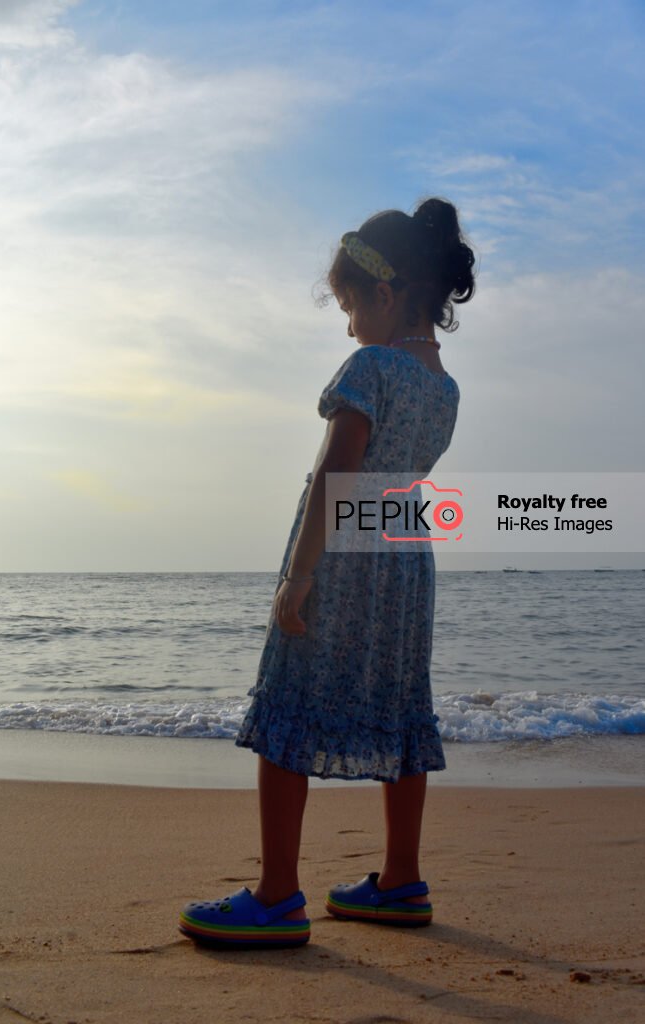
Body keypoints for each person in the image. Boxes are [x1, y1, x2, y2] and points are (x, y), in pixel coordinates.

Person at [179, 197, 476, 948]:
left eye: (347, 305)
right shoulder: (444, 389)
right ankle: (400, 881)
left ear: (384, 293)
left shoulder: (369, 366)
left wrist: (298, 577)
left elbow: (333, 479)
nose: (346, 323)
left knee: (290, 703)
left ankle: (278, 895)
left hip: (341, 560)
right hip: (405, 558)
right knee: (401, 706)